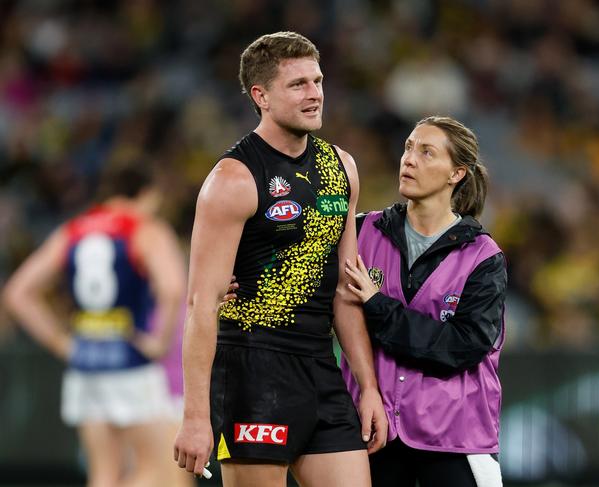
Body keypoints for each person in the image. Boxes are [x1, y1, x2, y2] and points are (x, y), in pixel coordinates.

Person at [173, 31, 387, 487]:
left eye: (318, 80)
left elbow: (348, 289)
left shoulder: (341, 168)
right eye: (298, 85)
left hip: (320, 369)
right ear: (261, 96)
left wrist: (367, 386)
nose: (314, 95)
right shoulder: (232, 180)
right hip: (251, 371)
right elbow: (201, 304)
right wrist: (195, 416)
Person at [342, 116, 507, 487]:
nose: (409, 159)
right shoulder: (360, 231)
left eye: (427, 152)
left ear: (456, 174)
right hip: (373, 431)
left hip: (456, 440)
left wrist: (377, 305)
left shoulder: (483, 257)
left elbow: (460, 347)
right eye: (408, 148)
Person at [2, 166, 187, 487]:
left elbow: (17, 293)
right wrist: (159, 341)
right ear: (146, 195)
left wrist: (60, 342)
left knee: (103, 473)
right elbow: (172, 288)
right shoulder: (144, 228)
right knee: (158, 473)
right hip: (131, 363)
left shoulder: (72, 230)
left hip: (85, 364)